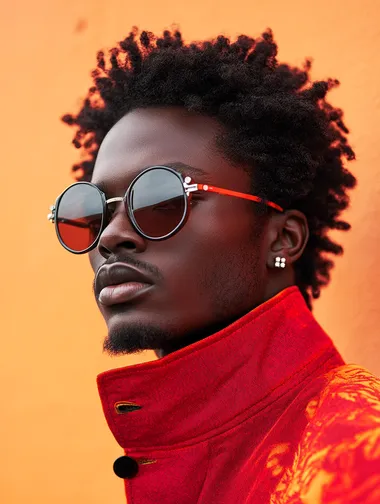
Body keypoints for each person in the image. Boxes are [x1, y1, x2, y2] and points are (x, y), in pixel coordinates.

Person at [48, 27, 380, 503]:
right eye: (92, 211)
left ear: (281, 238)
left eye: (161, 198)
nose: (112, 235)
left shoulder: (355, 460)